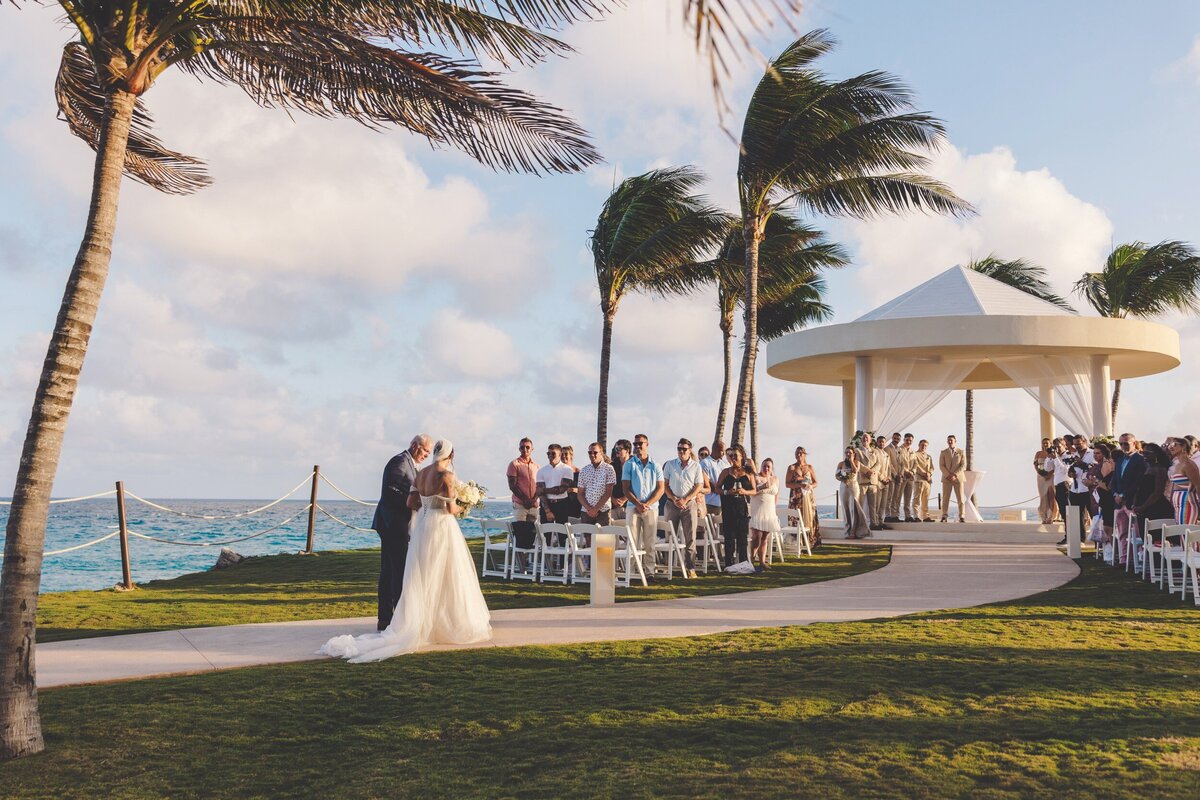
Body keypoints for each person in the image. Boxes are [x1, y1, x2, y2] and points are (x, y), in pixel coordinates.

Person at [322, 439, 491, 662]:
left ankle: (418, 622)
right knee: (447, 574)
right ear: (451, 456)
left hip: (423, 528)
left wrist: (429, 503)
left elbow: (412, 503)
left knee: (421, 574)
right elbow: (451, 508)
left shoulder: (420, 475)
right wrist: (463, 506)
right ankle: (443, 624)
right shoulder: (447, 476)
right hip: (442, 527)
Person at [370, 434, 432, 631]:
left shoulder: (411, 464)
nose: (426, 455)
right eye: (425, 451)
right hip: (391, 524)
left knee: (390, 571)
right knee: (397, 571)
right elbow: (392, 492)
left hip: (397, 524)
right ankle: (396, 619)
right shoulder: (399, 462)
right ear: (415, 446)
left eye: (429, 453)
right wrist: (415, 503)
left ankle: (386, 619)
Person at [623, 434, 665, 579]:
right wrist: (638, 504)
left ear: (647, 444)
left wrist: (647, 503)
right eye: (635, 444)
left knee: (650, 541)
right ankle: (632, 571)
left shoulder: (656, 465)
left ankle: (649, 571)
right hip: (632, 506)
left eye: (640, 443)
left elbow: (660, 488)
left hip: (651, 508)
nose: (638, 446)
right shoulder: (629, 464)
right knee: (632, 540)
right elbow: (626, 488)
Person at [663, 438, 705, 579]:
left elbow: (698, 485)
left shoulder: (696, 466)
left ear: (690, 450)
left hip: (689, 505)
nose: (681, 451)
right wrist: (674, 499)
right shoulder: (670, 464)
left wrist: (685, 499)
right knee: (669, 537)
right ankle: (667, 566)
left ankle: (690, 567)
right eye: (679, 449)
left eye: (684, 449)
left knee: (690, 537)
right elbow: (665, 484)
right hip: (671, 504)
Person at [717, 445, 756, 565]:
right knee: (729, 539)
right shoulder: (725, 472)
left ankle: (743, 564)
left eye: (735, 455)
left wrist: (744, 491)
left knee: (742, 539)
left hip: (742, 509)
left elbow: (754, 491)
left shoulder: (748, 473)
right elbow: (717, 488)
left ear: (742, 456)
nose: (733, 458)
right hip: (728, 509)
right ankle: (729, 565)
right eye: (731, 455)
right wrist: (726, 492)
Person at [1111, 433, 1145, 550]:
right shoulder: (1120, 460)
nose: (1123, 446)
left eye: (1126, 443)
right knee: (1122, 532)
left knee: (1137, 533)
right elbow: (1114, 480)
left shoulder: (1140, 460)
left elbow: (1138, 482)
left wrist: (1123, 495)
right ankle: (1124, 559)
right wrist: (1115, 494)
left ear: (1134, 443)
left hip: (1132, 501)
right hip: (1118, 502)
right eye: (1121, 444)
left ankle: (1139, 559)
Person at [1061, 434, 1096, 545]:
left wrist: (1082, 464)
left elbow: (1095, 468)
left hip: (1088, 489)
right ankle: (1080, 540)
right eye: (1075, 444)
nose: (1077, 446)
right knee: (1077, 516)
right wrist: (1071, 473)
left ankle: (1097, 540)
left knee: (1093, 514)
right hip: (1076, 489)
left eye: (1079, 444)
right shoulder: (1074, 454)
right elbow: (1070, 468)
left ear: (1084, 442)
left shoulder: (1092, 453)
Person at [749, 458, 782, 571]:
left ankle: (762, 561)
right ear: (761, 466)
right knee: (756, 537)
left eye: (768, 466)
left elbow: (776, 495)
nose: (766, 468)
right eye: (764, 466)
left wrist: (774, 509)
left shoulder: (775, 479)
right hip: (758, 510)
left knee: (765, 538)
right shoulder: (756, 477)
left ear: (772, 468)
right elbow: (752, 492)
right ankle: (751, 560)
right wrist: (762, 486)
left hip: (769, 511)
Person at [785, 446, 820, 547]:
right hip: (796, 498)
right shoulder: (791, 467)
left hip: (808, 497)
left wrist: (810, 486)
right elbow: (787, 484)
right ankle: (798, 543)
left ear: (804, 454)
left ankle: (810, 542)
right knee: (796, 518)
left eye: (801, 453)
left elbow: (816, 482)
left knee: (810, 518)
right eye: (797, 453)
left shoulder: (809, 467)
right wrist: (799, 485)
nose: (798, 455)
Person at [577, 442, 616, 526]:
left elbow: (608, 493)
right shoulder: (584, 470)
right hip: (586, 511)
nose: (592, 454)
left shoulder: (609, 469)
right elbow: (580, 494)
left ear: (601, 453)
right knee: (588, 538)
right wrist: (589, 509)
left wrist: (596, 509)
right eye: (589, 452)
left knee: (603, 538)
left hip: (603, 510)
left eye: (595, 452)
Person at [836, 446, 871, 539]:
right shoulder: (841, 464)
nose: (847, 454)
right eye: (846, 452)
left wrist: (851, 460)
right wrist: (843, 479)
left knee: (854, 508)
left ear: (853, 454)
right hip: (844, 487)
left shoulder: (857, 462)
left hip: (853, 487)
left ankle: (854, 531)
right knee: (845, 508)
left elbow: (855, 471)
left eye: (850, 453)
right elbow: (837, 475)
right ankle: (847, 531)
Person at [536, 443, 576, 524]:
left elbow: (561, 489)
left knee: (562, 535)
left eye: (553, 453)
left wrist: (543, 490)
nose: (550, 455)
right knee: (546, 534)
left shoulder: (567, 469)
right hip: (546, 505)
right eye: (548, 453)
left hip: (562, 504)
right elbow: (540, 493)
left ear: (560, 454)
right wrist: (547, 511)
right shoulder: (541, 471)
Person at [1085, 442, 1116, 544]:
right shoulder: (1097, 464)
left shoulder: (1106, 464)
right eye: (1094, 453)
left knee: (1105, 524)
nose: (1095, 455)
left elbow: (1106, 482)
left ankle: (1109, 548)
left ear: (1104, 454)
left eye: (1098, 453)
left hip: (1103, 496)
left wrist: (1092, 482)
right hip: (1094, 494)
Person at [1166, 436, 1200, 525]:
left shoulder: (1188, 464)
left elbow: (1197, 485)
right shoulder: (1178, 465)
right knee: (1181, 534)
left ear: (1183, 446)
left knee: (1187, 535)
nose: (1171, 447)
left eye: (1174, 444)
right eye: (1169, 445)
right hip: (1178, 505)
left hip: (1188, 504)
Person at [506, 438, 539, 524]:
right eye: (522, 447)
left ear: (532, 449)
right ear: (519, 449)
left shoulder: (536, 466)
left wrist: (534, 500)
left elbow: (539, 486)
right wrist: (525, 500)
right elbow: (512, 485)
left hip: (533, 505)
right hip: (520, 504)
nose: (525, 449)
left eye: (527, 447)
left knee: (533, 532)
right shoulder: (514, 464)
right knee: (521, 532)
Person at [939, 435, 966, 523]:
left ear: (955, 441)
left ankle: (962, 516)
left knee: (960, 498)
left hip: (958, 478)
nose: (950, 442)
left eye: (951, 440)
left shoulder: (961, 452)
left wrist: (955, 474)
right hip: (947, 479)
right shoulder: (943, 452)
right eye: (948, 440)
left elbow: (963, 465)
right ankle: (944, 516)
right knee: (945, 498)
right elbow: (941, 465)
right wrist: (948, 475)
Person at [701, 440, 729, 518]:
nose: (723, 454)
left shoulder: (725, 464)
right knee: (711, 528)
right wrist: (719, 490)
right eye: (722, 451)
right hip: (710, 502)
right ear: (715, 450)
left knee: (721, 529)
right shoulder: (705, 463)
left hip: (724, 502)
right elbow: (706, 481)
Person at [1034, 437, 1056, 525]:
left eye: (1047, 443)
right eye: (1044, 443)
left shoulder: (1053, 453)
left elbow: (1055, 465)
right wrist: (1039, 472)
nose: (1045, 445)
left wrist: (1049, 474)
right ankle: (1043, 516)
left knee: (1051, 495)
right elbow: (1035, 464)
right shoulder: (1038, 453)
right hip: (1041, 476)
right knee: (1043, 496)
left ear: (1050, 444)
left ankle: (1051, 516)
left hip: (1051, 476)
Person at [912, 439, 935, 522]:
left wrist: (929, 473)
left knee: (926, 499)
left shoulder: (929, 456)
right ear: (919, 445)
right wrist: (925, 474)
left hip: (928, 481)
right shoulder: (915, 454)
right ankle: (916, 516)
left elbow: (932, 467)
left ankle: (925, 516)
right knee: (917, 499)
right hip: (919, 479)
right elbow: (916, 466)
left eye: (925, 446)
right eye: (922, 445)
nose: (924, 447)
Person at [609, 439, 632, 521]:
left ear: (627, 451)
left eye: (619, 449)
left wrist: (624, 499)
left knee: (629, 532)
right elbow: (606, 485)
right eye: (616, 449)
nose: (617, 451)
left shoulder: (635, 465)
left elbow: (637, 486)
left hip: (630, 506)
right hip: (613, 506)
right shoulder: (612, 466)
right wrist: (613, 499)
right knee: (611, 532)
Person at [883, 432, 903, 523]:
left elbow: (902, 463)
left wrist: (901, 474)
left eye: (898, 439)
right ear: (892, 438)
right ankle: (887, 515)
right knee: (889, 497)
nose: (896, 440)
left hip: (899, 477)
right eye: (895, 438)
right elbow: (889, 463)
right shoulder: (887, 449)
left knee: (896, 497)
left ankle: (894, 516)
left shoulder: (899, 449)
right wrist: (895, 474)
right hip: (891, 476)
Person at [560, 445, 583, 520]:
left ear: (571, 456)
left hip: (576, 505)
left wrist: (575, 490)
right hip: (563, 505)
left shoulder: (579, 472)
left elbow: (585, 489)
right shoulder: (558, 472)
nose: (563, 456)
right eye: (561, 454)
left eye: (566, 454)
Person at [898, 433, 916, 522]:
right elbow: (899, 462)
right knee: (898, 497)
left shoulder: (913, 451)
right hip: (902, 476)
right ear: (904, 440)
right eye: (907, 440)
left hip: (911, 478)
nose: (909, 442)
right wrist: (906, 471)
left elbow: (915, 464)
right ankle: (895, 515)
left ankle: (908, 516)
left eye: (910, 440)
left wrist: (912, 472)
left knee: (908, 498)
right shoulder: (899, 449)